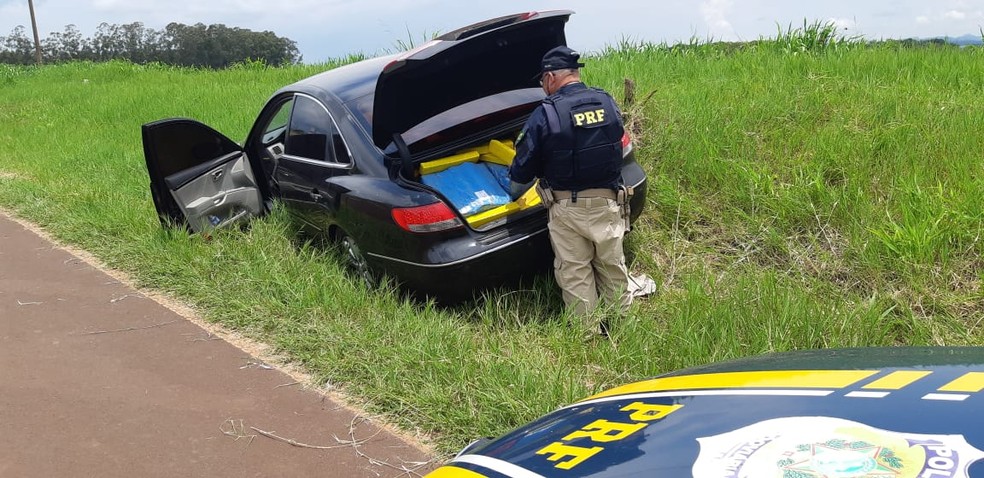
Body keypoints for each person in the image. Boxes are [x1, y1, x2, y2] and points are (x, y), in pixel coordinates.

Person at [508, 46, 631, 337]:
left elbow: (521, 174)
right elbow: (620, 146)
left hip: (567, 209)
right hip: (609, 202)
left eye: (542, 81)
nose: (543, 87)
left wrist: (512, 192)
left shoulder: (545, 114)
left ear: (550, 77)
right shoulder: (607, 101)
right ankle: (624, 328)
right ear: (575, 73)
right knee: (612, 266)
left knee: (575, 271)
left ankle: (587, 334)